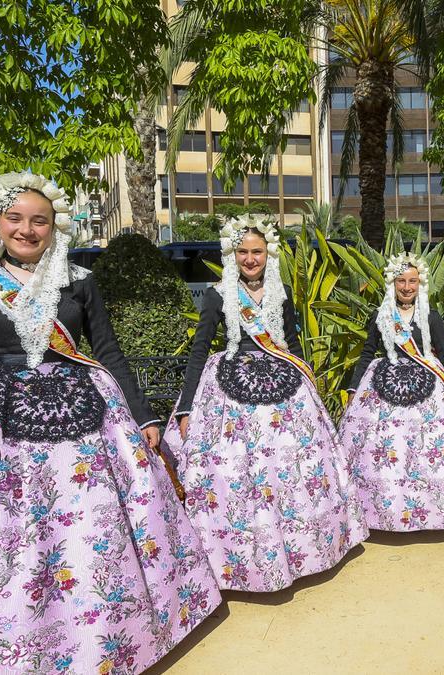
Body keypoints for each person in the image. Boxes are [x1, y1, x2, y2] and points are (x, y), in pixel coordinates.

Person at [0, 172, 220, 672]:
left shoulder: (80, 282)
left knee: (85, 528)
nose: (27, 230)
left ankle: (100, 634)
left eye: (40, 221)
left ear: (55, 228)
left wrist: (143, 414)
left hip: (81, 416)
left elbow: (109, 354)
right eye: (16, 219)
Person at [164, 214, 367, 591]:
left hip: (284, 386)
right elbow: (199, 349)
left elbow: (291, 341)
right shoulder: (217, 294)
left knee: (290, 462)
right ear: (232, 254)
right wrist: (188, 407)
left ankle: (303, 546)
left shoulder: (282, 293)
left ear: (268, 253)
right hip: (228, 388)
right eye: (242, 251)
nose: (250, 258)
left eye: (256, 251)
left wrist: (310, 391)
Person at [338, 252, 444, 531]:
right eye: (401, 281)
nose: (406, 287)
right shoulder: (380, 316)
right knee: (388, 447)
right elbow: (368, 353)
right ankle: (383, 512)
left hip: (429, 389)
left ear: (421, 283)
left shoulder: (431, 316)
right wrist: (354, 388)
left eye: (412, 281)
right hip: (383, 387)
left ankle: (435, 511)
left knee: (428, 449)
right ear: (392, 283)